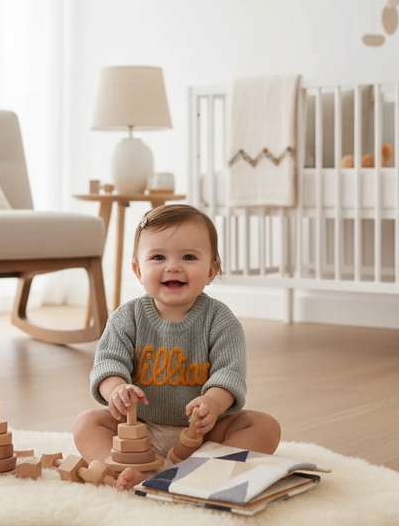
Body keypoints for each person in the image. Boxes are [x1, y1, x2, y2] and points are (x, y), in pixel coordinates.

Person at [72, 203, 281, 491]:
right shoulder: (126, 317)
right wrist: (116, 390)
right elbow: (108, 364)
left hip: (205, 432)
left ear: (211, 271)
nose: (173, 266)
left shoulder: (221, 320)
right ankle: (125, 468)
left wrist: (212, 403)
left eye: (189, 257)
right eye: (158, 257)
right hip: (139, 430)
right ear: (138, 270)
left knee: (265, 427)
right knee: (87, 423)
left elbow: (228, 376)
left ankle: (201, 471)